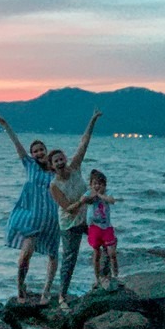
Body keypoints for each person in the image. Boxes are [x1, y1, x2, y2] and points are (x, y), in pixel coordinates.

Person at [0, 115, 59, 305]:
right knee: (25, 256)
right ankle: (21, 287)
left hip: (52, 220)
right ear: (32, 154)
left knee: (53, 256)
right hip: (32, 220)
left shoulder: (56, 171)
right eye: (35, 151)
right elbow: (17, 144)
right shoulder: (29, 165)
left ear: (46, 151)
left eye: (41, 150)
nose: (38, 153)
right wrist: (6, 125)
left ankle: (46, 291)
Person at [48, 108, 102, 309]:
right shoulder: (54, 185)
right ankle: (62, 296)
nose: (61, 163)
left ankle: (101, 280)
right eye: (57, 162)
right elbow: (68, 209)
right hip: (70, 224)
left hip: (85, 219)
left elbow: (84, 142)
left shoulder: (75, 167)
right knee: (70, 259)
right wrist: (84, 200)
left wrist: (93, 119)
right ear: (52, 166)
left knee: (103, 243)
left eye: (62, 159)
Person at [83, 168, 120, 289]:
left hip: (106, 227)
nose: (97, 186)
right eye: (95, 184)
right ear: (91, 185)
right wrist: (92, 195)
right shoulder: (89, 193)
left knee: (112, 253)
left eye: (100, 184)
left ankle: (116, 276)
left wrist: (100, 195)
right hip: (94, 228)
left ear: (104, 185)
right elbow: (84, 200)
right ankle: (97, 278)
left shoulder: (107, 193)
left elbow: (112, 200)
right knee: (96, 253)